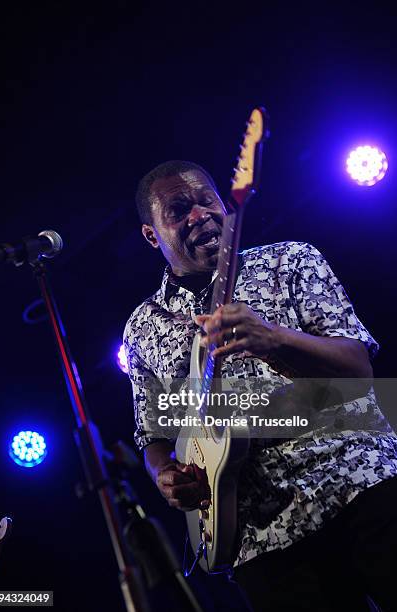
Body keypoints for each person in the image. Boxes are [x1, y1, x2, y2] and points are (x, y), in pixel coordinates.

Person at [123, 160, 397, 611]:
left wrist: (274, 339)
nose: (199, 216)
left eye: (206, 201)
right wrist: (164, 476)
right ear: (152, 235)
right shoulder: (141, 329)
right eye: (178, 210)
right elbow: (153, 435)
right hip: (258, 537)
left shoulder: (290, 261)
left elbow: (358, 371)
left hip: (359, 483)